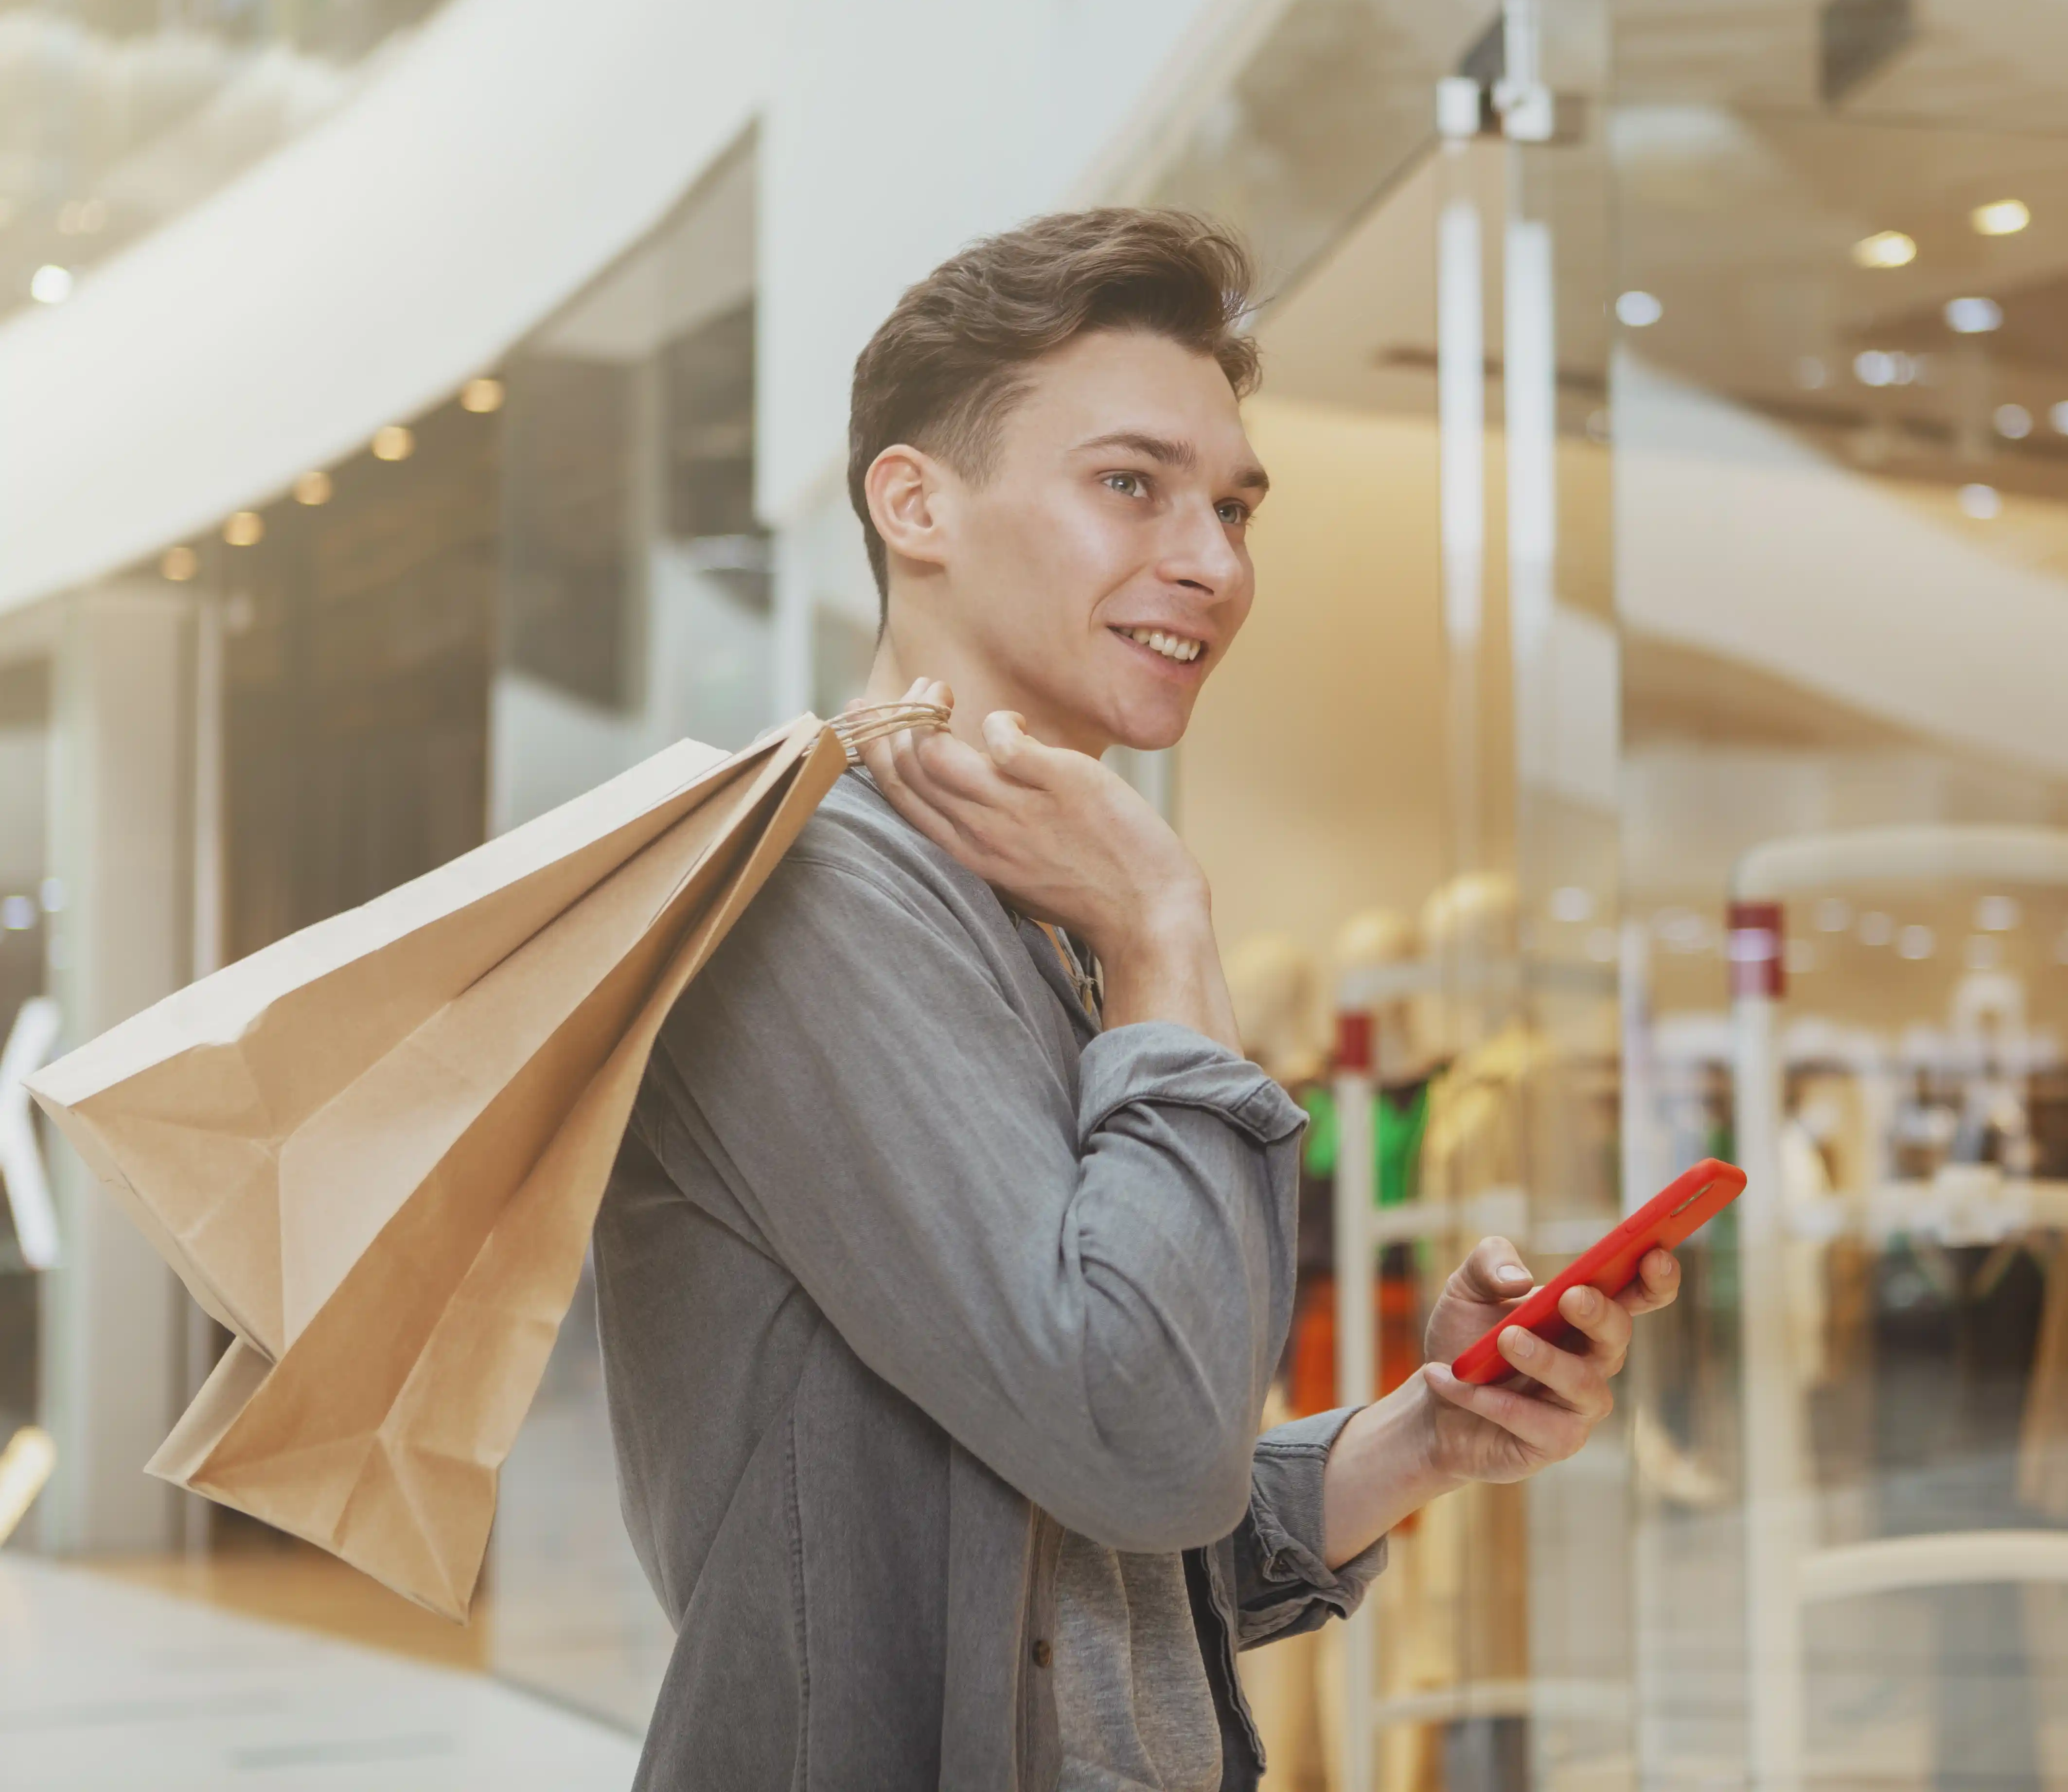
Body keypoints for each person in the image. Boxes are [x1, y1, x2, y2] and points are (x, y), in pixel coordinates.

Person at [595, 208, 1679, 1791]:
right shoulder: (820, 898)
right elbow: (1146, 1451)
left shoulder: (1034, 915)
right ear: (917, 503)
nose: (1212, 563)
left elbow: (1089, 1569)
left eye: (1234, 507)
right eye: (1131, 486)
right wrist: (1169, 932)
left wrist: (1426, 1436)